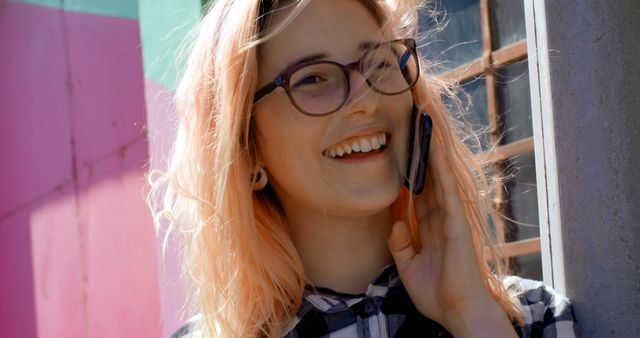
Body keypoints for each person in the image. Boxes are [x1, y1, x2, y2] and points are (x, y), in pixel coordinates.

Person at [148, 0, 578, 337]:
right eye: (313, 78)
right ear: (246, 146)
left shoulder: (533, 319)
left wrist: (472, 318)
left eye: (379, 63)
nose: (366, 99)